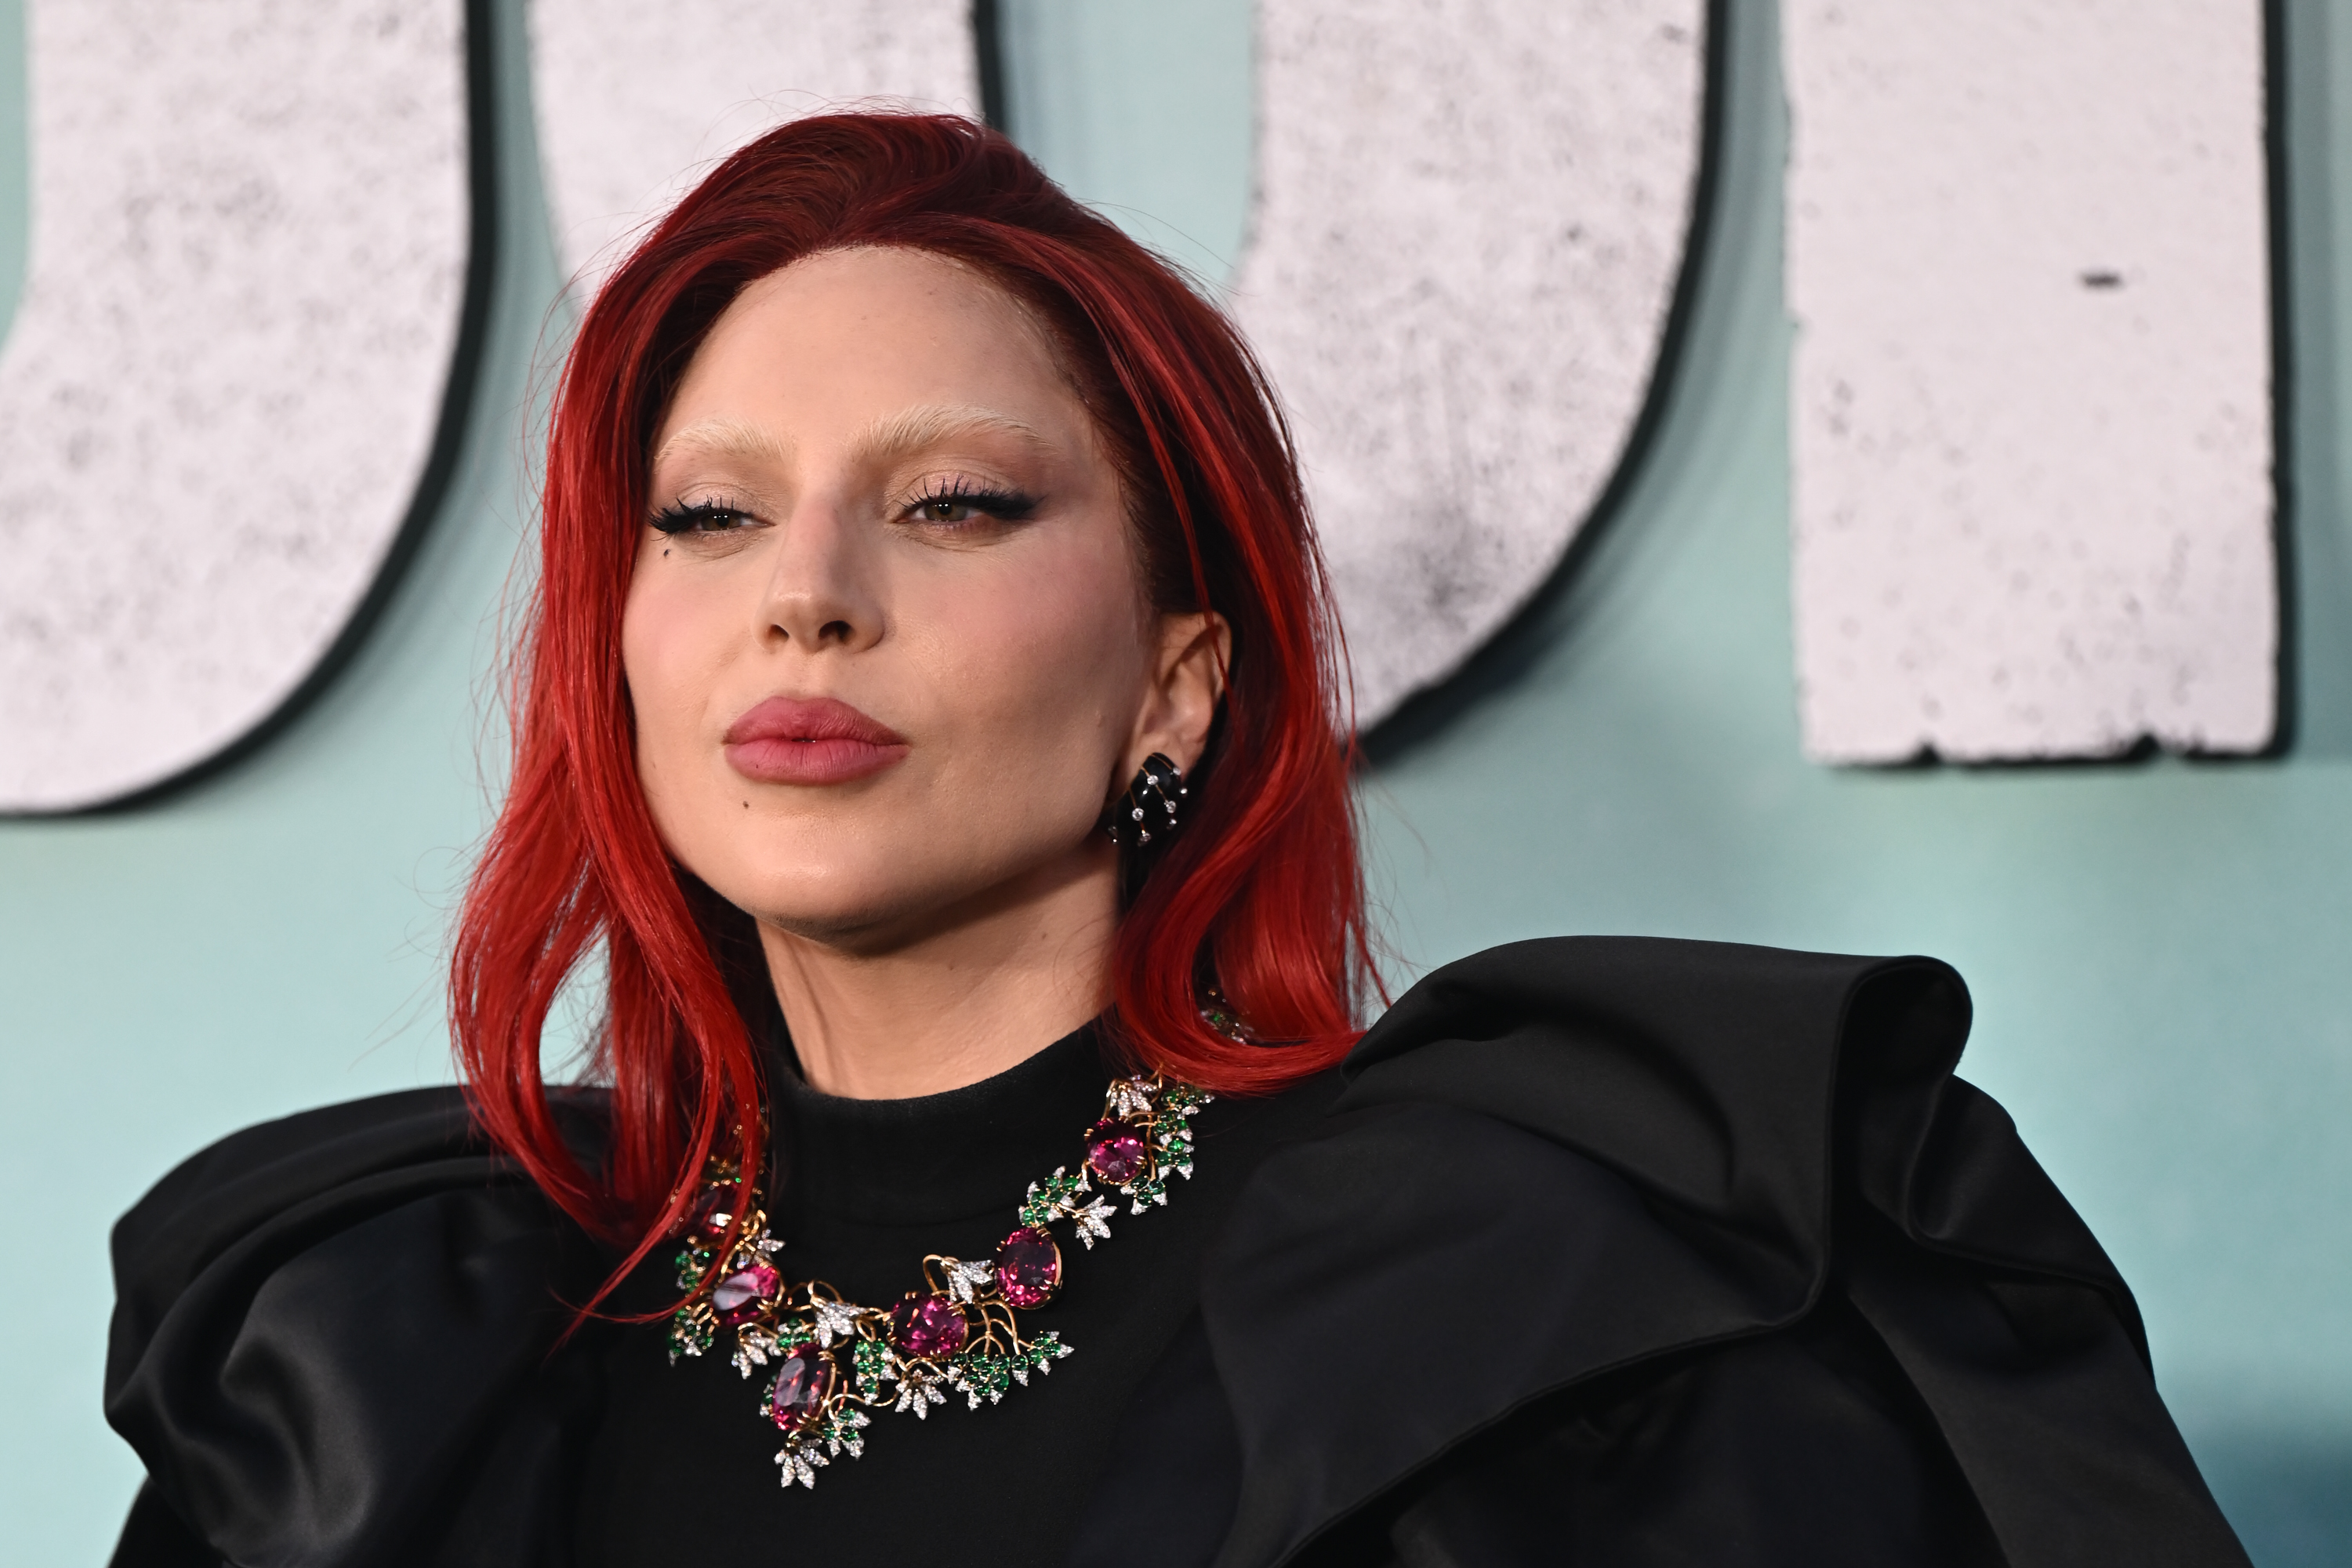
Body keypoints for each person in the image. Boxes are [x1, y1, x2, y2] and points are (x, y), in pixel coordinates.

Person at [103, 113, 2249, 1568]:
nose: (808, 589)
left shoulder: (1556, 1306)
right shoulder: (375, 1371)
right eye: (711, 512)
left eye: (952, 503)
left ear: (1180, 683)